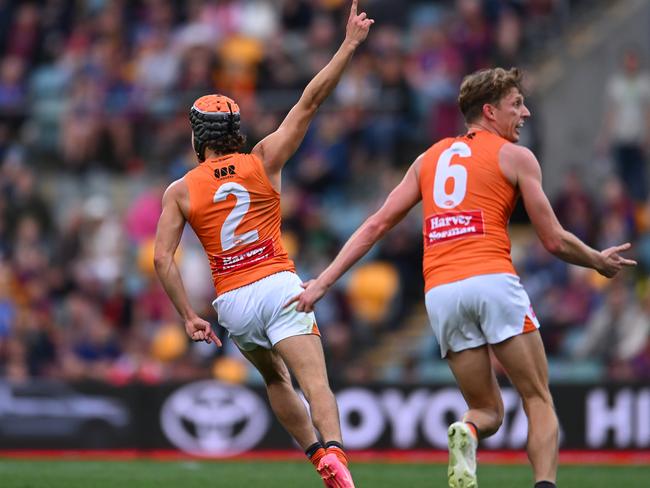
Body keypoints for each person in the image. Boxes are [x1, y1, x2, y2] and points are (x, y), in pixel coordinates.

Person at [288, 67, 637, 488]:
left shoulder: (427, 159)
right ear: (489, 112)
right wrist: (596, 259)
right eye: (516, 105)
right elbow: (553, 240)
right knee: (537, 396)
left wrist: (323, 282)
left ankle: (466, 432)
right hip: (491, 278)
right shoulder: (516, 157)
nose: (524, 113)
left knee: (486, 411)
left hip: (441, 293)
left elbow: (376, 225)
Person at [153, 2, 373, 487]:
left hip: (232, 301)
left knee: (276, 379)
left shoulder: (181, 189)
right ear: (236, 131)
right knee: (317, 384)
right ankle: (337, 456)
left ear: (198, 137)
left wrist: (189, 316)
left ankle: (317, 459)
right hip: (278, 285)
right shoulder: (264, 159)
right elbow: (311, 100)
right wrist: (349, 45)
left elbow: (161, 259)